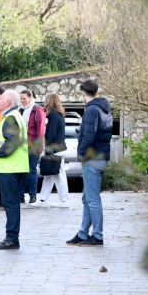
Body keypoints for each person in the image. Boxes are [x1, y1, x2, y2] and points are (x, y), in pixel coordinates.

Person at [67, 79, 113, 247]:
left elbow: (88, 135)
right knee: (87, 197)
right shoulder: (105, 108)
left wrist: (80, 153)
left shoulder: (92, 110)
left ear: (83, 93)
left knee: (92, 199)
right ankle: (83, 233)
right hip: (101, 157)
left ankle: (98, 236)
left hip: (92, 158)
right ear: (97, 92)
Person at [0, 90, 28, 250]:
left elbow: (13, 141)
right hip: (15, 166)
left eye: (1, 99)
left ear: (8, 102)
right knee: (12, 204)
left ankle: (11, 238)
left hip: (9, 167)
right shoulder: (16, 116)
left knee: (10, 204)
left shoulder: (10, 118)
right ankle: (12, 237)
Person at [38, 92, 69, 206]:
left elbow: (50, 134)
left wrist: (48, 151)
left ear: (50, 101)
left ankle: (64, 200)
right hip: (59, 148)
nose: (44, 103)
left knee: (59, 175)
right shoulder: (59, 114)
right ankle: (42, 199)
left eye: (46, 101)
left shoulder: (54, 115)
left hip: (56, 149)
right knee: (49, 176)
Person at [19, 90, 46, 205]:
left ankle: (33, 195)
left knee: (31, 170)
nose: (22, 101)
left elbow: (40, 130)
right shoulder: (20, 110)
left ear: (31, 97)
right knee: (22, 171)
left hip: (33, 146)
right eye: (21, 99)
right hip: (22, 145)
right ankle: (20, 195)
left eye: (24, 98)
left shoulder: (38, 111)